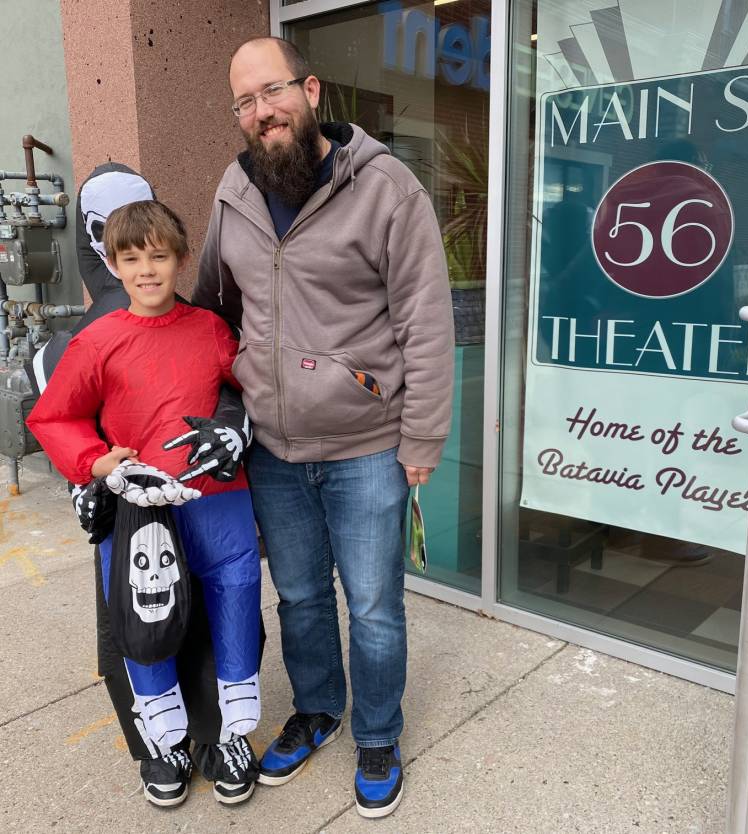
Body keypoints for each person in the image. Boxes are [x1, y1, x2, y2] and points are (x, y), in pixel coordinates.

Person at [192, 36, 454, 818]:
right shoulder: (233, 193)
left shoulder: (385, 187)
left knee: (373, 603)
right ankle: (318, 709)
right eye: (245, 102)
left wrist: (423, 439)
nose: (261, 113)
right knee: (301, 596)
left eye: (272, 93)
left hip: (367, 443)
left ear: (310, 91)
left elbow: (426, 323)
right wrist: (219, 411)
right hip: (273, 448)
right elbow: (211, 310)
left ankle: (377, 730)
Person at [27, 200, 263, 808]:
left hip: (216, 500)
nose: (147, 270)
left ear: (180, 258)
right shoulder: (97, 340)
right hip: (137, 507)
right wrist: (99, 464)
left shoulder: (210, 328)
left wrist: (234, 429)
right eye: (131, 258)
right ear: (112, 264)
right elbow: (55, 416)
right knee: (142, 614)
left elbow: (249, 390)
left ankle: (233, 735)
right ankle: (163, 741)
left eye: (159, 256)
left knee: (236, 603)